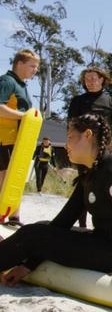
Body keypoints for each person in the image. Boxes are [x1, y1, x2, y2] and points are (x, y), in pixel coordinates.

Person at [0, 113, 112, 286]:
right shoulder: (91, 173)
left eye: (70, 137)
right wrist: (29, 265)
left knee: (32, 234)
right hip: (102, 243)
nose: (66, 144)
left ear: (87, 135)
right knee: (41, 227)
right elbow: (63, 221)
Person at [68, 65, 112, 227]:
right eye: (87, 79)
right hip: (83, 151)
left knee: (103, 185)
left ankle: (103, 223)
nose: (90, 82)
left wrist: (110, 141)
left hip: (104, 151)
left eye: (94, 78)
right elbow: (70, 126)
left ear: (102, 80)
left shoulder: (111, 101)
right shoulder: (77, 101)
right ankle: (82, 225)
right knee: (84, 185)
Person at [0, 49, 40, 222]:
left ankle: (14, 215)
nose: (35, 70)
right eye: (32, 66)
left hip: (19, 140)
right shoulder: (7, 81)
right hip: (4, 138)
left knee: (17, 176)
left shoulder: (22, 85)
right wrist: (23, 116)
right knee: (4, 177)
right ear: (20, 64)